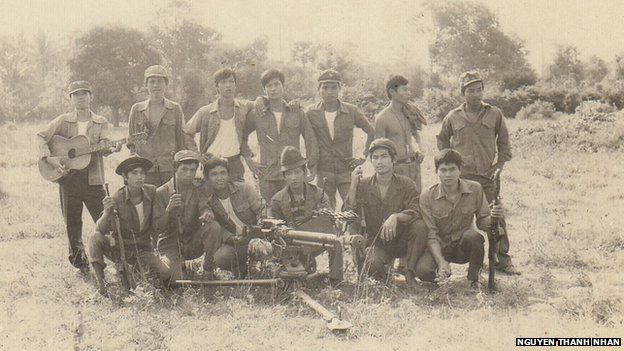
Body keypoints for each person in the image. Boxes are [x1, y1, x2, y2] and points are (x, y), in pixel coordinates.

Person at [436, 70, 519, 275]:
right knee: (459, 218)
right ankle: (471, 258)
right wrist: (449, 165)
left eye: (478, 90)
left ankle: (502, 259)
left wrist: (498, 166)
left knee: (495, 216)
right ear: (463, 93)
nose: (475, 94)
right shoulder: (452, 117)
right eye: (470, 90)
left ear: (483, 90)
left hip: (486, 176)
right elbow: (442, 141)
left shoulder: (495, 114)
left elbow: (504, 144)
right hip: (461, 179)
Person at [37, 80, 120, 272]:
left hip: (93, 178)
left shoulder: (101, 121)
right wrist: (49, 158)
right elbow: (41, 136)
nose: (81, 97)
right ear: (71, 98)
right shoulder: (63, 120)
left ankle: (117, 258)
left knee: (105, 219)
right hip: (68, 178)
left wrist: (111, 147)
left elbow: (105, 144)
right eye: (76, 94)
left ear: (91, 96)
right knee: (72, 222)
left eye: (84, 93)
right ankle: (80, 263)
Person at [415, 149, 506, 290]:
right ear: (436, 171)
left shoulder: (475, 189)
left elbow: (482, 222)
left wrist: (494, 217)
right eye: (443, 170)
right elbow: (431, 235)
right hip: (439, 247)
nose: (448, 175)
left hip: (462, 247)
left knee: (474, 237)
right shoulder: (427, 196)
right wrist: (441, 262)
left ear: (460, 170)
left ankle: (473, 279)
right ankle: (442, 276)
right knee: (423, 271)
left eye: (452, 169)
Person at [344, 138, 428, 285]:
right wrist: (353, 185)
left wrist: (396, 217)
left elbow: (416, 210)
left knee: (419, 226)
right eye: (375, 158)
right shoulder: (363, 185)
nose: (379, 161)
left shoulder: (406, 184)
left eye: (384, 156)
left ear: (393, 159)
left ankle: (409, 273)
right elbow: (348, 213)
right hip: (377, 242)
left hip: (401, 240)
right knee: (372, 264)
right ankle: (384, 275)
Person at [87, 156, 171, 296]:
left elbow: (159, 222)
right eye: (134, 173)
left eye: (142, 173)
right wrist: (107, 213)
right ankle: (102, 286)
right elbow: (100, 229)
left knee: (166, 274)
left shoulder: (151, 192)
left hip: (143, 248)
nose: (140, 177)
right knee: (94, 238)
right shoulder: (115, 198)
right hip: (121, 249)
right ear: (125, 177)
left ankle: (136, 272)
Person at [270, 146, 343, 282]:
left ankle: (336, 280)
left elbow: (329, 220)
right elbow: (274, 232)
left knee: (335, 241)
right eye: (289, 173)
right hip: (290, 247)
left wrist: (334, 221)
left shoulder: (319, 194)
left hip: (314, 240)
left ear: (304, 172)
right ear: (284, 176)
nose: (294, 178)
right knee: (291, 277)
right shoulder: (277, 200)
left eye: (297, 172)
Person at [245, 68, 318, 202]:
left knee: (295, 211)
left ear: (283, 86)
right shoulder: (257, 113)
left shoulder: (296, 112)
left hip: (292, 174)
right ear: (264, 90)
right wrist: (250, 161)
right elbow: (242, 136)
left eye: (276, 84)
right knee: (272, 214)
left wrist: (311, 167)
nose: (273, 89)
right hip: (268, 174)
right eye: (269, 86)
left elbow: (310, 139)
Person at [306, 69, 375, 209]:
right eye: (325, 87)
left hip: (346, 171)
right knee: (325, 213)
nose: (329, 91)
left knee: (353, 208)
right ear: (318, 89)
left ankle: (353, 232)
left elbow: (371, 131)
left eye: (333, 87)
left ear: (340, 89)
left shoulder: (351, 110)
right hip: (323, 172)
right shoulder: (311, 112)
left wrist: (363, 156)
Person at [184, 68, 256, 183]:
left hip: (235, 165)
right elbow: (186, 132)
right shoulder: (205, 112)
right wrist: (197, 155)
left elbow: (262, 102)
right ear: (217, 87)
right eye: (223, 82)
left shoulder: (244, 107)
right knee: (211, 199)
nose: (228, 86)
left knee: (238, 198)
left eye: (231, 81)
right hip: (211, 164)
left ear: (235, 85)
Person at [128, 65, 195, 187]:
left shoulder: (175, 109)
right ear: (146, 85)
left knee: (170, 201)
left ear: (166, 84)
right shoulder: (137, 109)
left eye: (160, 81)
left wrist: (180, 164)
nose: (156, 85)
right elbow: (132, 142)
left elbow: (181, 139)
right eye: (152, 81)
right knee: (147, 203)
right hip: (144, 169)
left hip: (169, 168)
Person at [152, 150, 213, 281]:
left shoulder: (197, 188)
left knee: (214, 227)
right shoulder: (161, 192)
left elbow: (204, 207)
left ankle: (208, 269)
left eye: (192, 170)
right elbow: (158, 228)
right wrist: (168, 210)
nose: (189, 174)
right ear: (175, 168)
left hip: (192, 242)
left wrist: (207, 213)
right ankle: (180, 265)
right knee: (173, 281)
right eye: (184, 169)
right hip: (170, 244)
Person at [202, 157, 263, 278]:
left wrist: (259, 229)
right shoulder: (209, 202)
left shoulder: (245, 189)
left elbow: (262, 210)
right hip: (237, 242)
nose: (220, 178)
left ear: (229, 175)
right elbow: (218, 227)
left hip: (257, 237)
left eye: (223, 173)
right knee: (220, 258)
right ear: (207, 179)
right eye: (214, 174)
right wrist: (230, 238)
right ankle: (242, 268)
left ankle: (263, 264)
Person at [374, 75, 424, 193]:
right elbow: (379, 150)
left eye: (409, 90)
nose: (408, 93)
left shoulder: (410, 112)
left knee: (416, 203)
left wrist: (420, 148)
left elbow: (416, 134)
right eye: (404, 90)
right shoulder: (382, 118)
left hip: (414, 166)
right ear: (392, 91)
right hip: (396, 169)